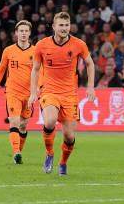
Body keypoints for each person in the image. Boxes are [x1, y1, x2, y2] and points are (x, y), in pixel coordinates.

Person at [28, 12, 97, 176]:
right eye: (61, 25)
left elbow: (90, 63)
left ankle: (63, 162)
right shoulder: (42, 45)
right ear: (54, 26)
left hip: (70, 95)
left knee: (69, 136)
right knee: (50, 121)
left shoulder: (78, 44)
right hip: (49, 91)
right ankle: (49, 153)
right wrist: (33, 92)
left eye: (67, 25)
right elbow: (35, 69)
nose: (64, 28)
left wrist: (90, 87)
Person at [0, 20, 36, 164]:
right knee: (14, 122)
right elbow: (0, 71)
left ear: (29, 33)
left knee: (23, 125)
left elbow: (40, 72)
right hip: (12, 92)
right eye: (21, 31)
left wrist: (37, 89)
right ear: (16, 33)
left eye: (26, 31)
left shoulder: (35, 52)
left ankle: (18, 152)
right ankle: (16, 152)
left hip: (29, 94)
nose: (23, 33)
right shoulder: (9, 51)